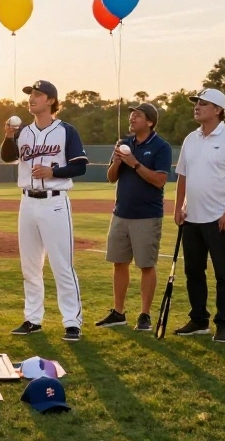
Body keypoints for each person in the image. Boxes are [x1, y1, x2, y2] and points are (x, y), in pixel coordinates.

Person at [1, 80, 89, 342]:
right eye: (30, 95)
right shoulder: (24, 132)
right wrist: (8, 136)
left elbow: (80, 166)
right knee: (30, 266)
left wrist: (54, 172)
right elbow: (8, 157)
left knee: (62, 265)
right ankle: (32, 319)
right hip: (27, 202)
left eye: (37, 95)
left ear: (50, 100)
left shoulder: (66, 131)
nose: (32, 98)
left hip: (55, 202)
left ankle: (72, 322)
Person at [173, 88, 225, 343]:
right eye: (196, 103)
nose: (197, 107)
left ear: (218, 110)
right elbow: (182, 176)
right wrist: (178, 207)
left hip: (220, 218)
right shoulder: (190, 139)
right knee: (193, 272)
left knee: (223, 274)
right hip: (192, 217)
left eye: (203, 104)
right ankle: (198, 320)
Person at [97, 103, 172, 332]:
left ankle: (144, 315)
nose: (132, 119)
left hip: (147, 215)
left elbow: (159, 180)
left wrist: (134, 164)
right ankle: (118, 312)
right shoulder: (124, 144)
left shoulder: (161, 147)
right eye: (131, 115)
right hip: (121, 213)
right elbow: (111, 178)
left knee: (146, 265)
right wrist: (118, 162)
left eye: (137, 115)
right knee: (119, 263)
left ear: (150, 121)